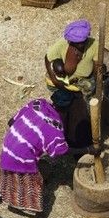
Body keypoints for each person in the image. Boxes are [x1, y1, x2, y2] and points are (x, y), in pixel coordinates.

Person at [0, 98, 97, 218]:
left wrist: (28, 136)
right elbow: (60, 152)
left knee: (7, 173)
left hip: (8, 147)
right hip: (22, 158)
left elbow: (11, 122)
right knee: (34, 184)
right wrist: (88, 150)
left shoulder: (37, 104)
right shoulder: (55, 126)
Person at [45, 19, 99, 148]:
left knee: (83, 113)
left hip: (83, 84)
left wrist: (95, 79)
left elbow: (97, 67)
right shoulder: (62, 44)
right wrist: (54, 78)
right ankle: (60, 136)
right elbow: (47, 58)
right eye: (76, 43)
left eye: (82, 42)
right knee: (63, 108)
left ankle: (82, 141)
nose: (80, 45)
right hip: (63, 84)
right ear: (70, 41)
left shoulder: (94, 45)